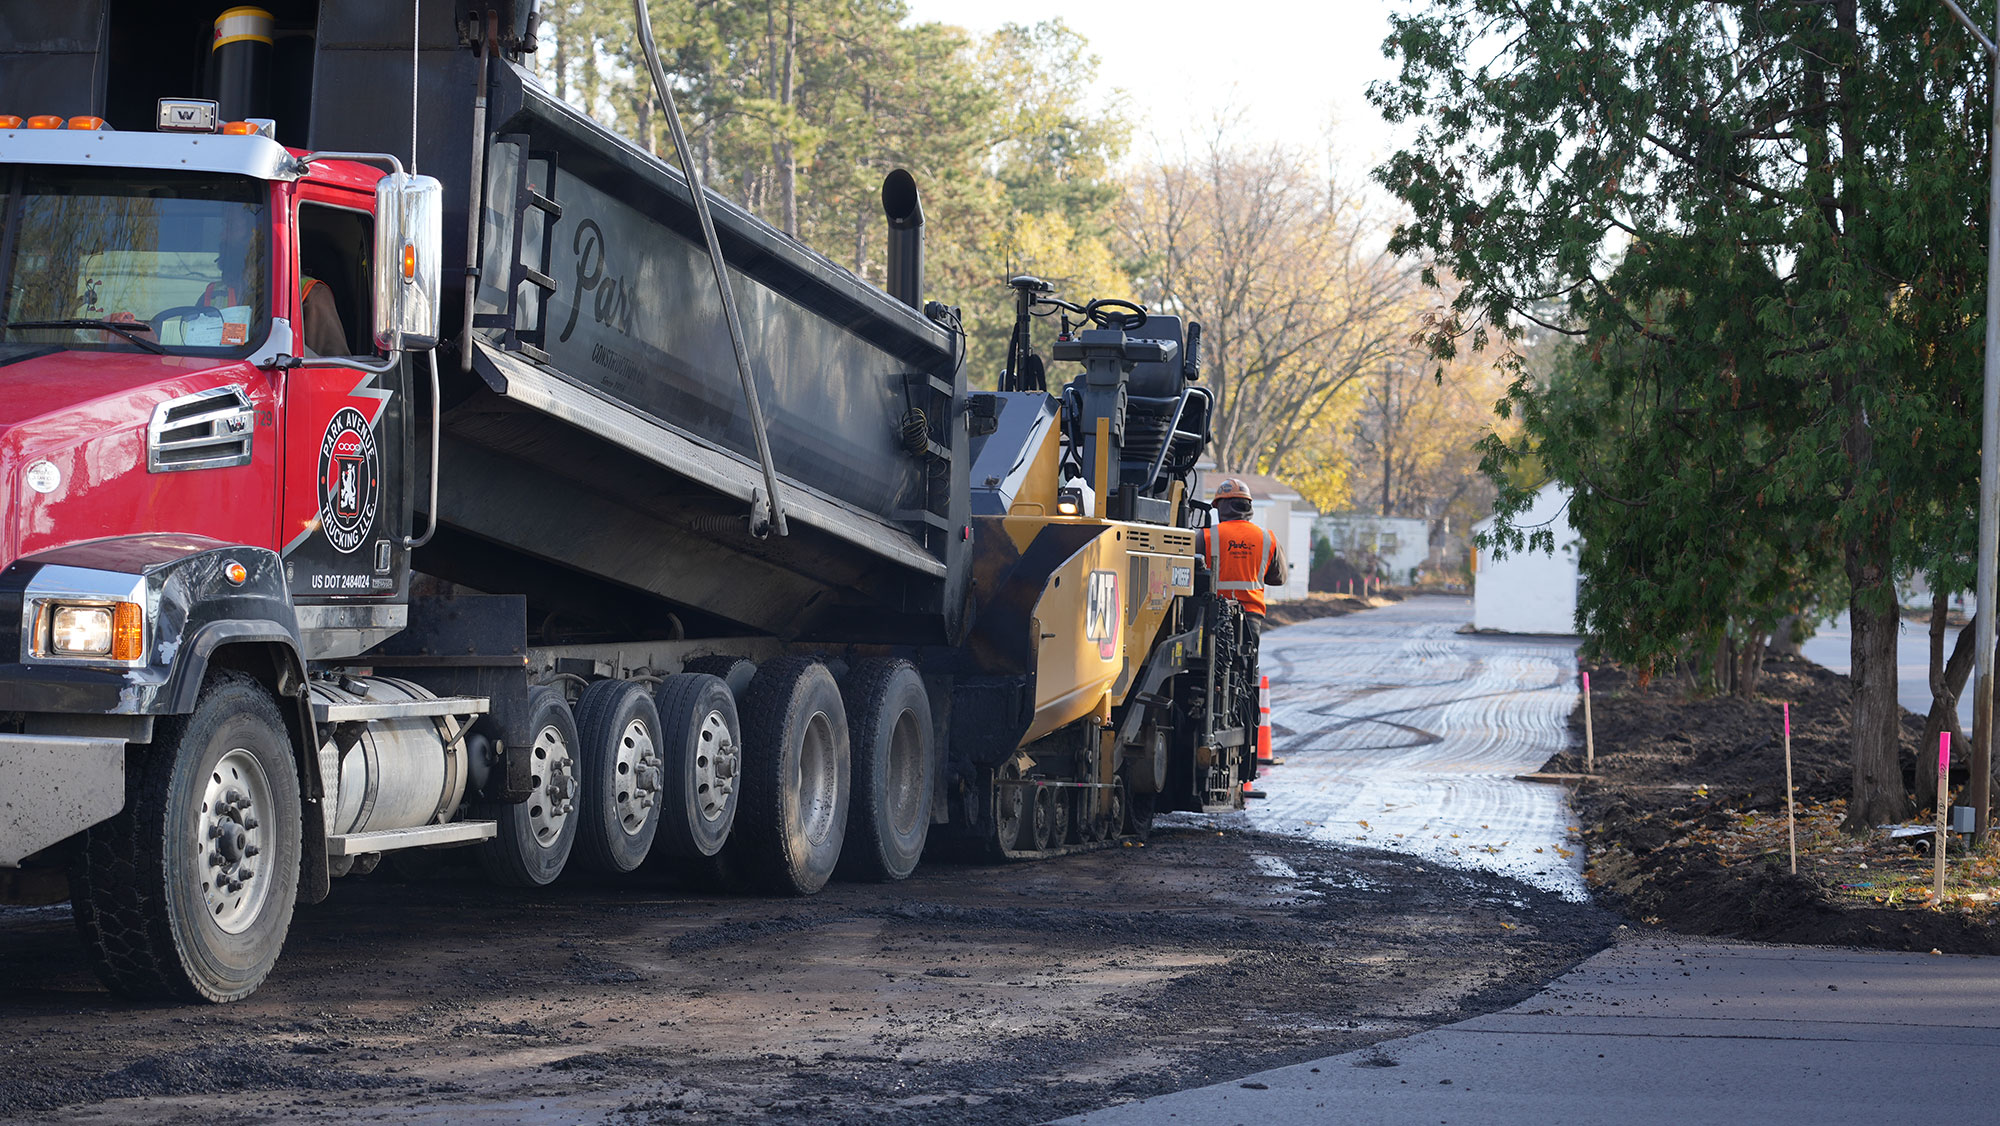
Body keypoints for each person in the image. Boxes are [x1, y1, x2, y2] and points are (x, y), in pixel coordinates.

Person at [1198, 477, 1288, 641]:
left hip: (1213, 614)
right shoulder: (1267, 538)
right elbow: (1279, 578)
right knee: (1247, 656)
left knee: (1213, 657)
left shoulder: (1206, 536)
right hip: (1251, 616)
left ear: (1221, 507)